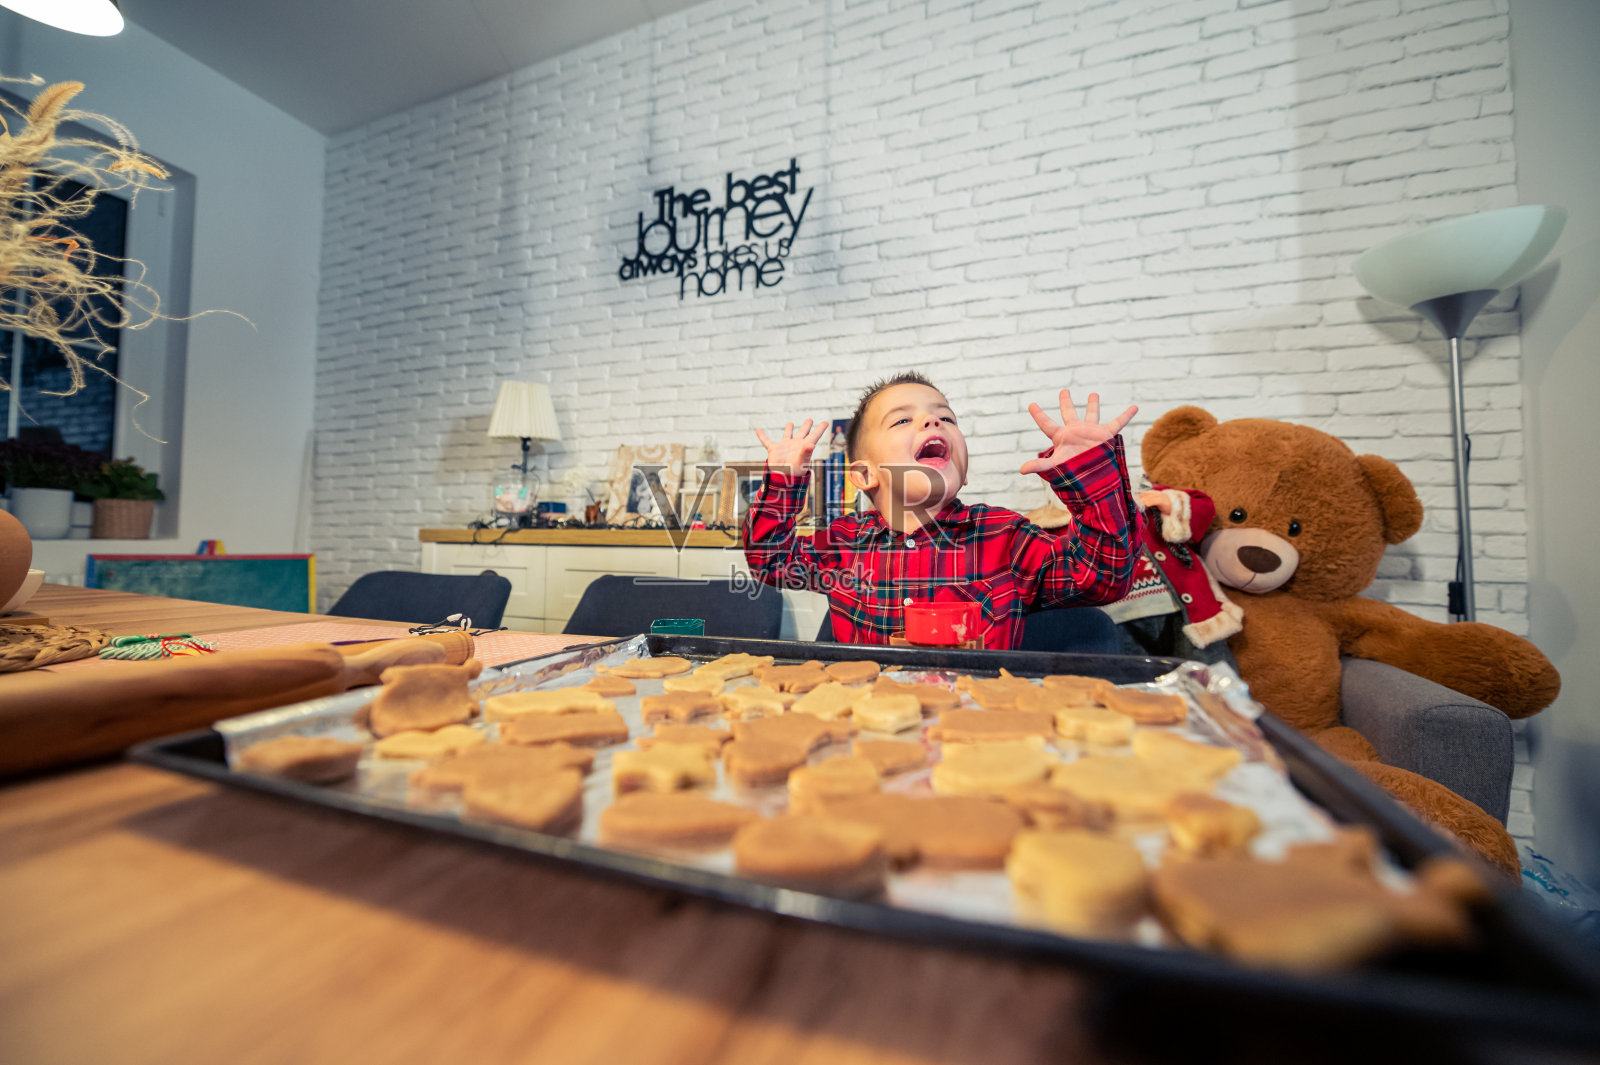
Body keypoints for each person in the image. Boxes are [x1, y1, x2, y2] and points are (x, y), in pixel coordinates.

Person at [743, 372, 1140, 650]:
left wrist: (1092, 473)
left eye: (946, 417)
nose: (933, 420)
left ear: (962, 472)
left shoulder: (1005, 535)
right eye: (902, 420)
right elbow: (771, 561)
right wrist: (782, 481)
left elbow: (1103, 577)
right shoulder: (845, 542)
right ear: (864, 475)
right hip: (870, 732)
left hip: (975, 734)